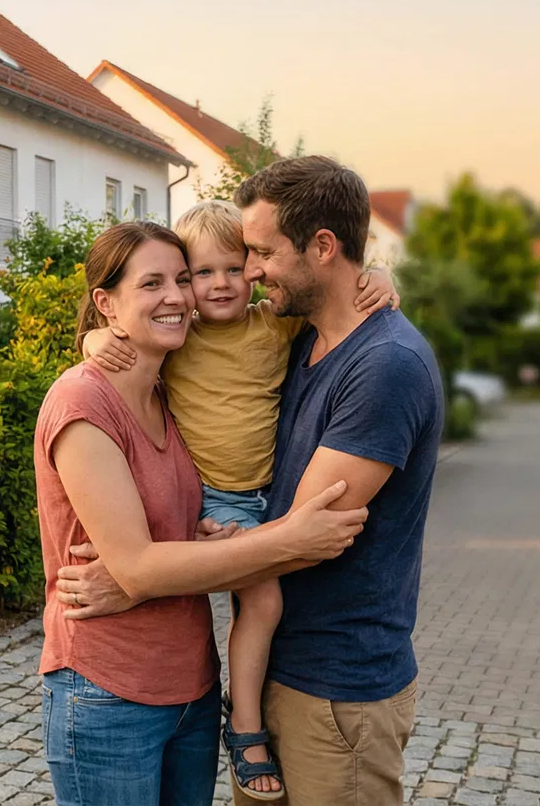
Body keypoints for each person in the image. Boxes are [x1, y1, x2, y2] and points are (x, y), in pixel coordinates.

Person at [58, 158, 443, 806]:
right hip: (282, 679)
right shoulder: (305, 340)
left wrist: (137, 579)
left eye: (259, 253)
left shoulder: (384, 366)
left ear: (323, 247)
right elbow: (145, 333)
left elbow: (304, 539)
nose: (250, 272)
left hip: (335, 690)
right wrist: (101, 339)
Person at [34, 219, 370, 806]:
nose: (176, 295)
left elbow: (154, 551)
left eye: (181, 279)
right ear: (105, 303)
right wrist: (292, 539)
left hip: (189, 689)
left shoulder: (170, 392)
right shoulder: (83, 401)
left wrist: (140, 578)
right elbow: (138, 562)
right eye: (151, 283)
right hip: (109, 690)